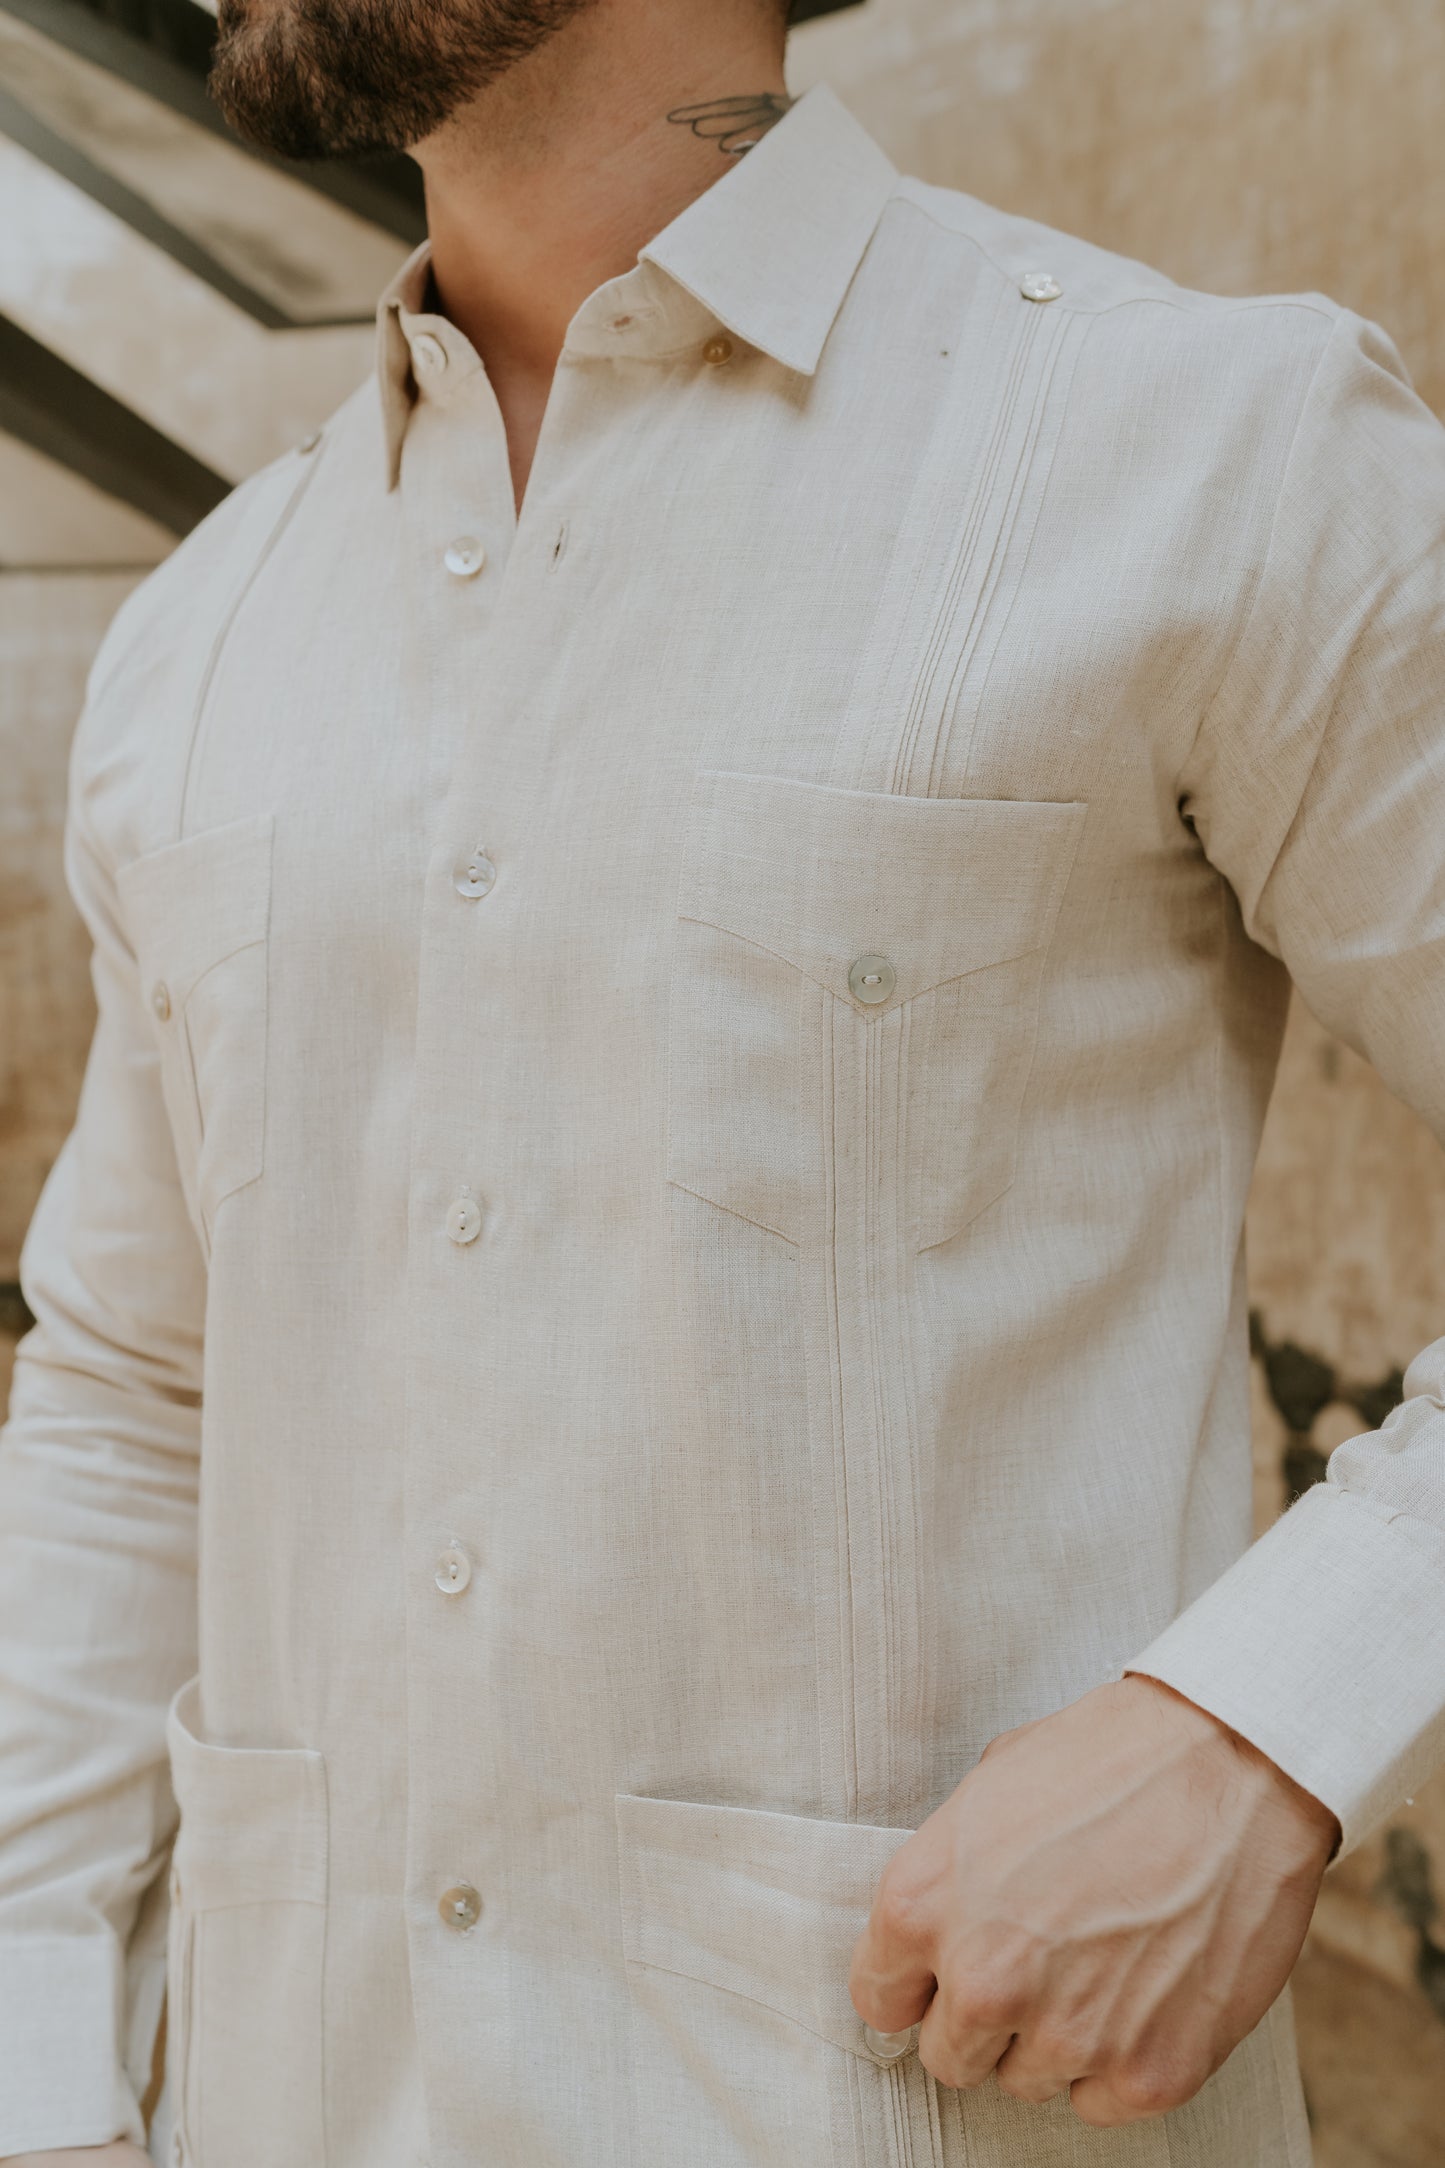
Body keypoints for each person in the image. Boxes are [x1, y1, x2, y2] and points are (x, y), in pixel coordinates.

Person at [2, 0, 1443, 2161]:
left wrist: (1262, 1731)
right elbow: (133, 1391)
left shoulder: (1210, 451)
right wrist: (40, 2063)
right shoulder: (206, 634)